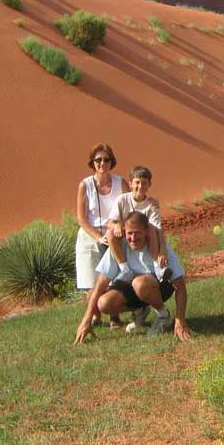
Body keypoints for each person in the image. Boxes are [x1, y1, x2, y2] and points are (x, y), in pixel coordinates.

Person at [75, 211, 191, 343]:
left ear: (146, 231)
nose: (133, 237)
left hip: (158, 287)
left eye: (137, 232)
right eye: (129, 233)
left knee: (139, 283)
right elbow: (100, 284)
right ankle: (140, 309)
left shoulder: (159, 248)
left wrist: (180, 319)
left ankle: (163, 315)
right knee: (104, 303)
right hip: (135, 288)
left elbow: (180, 286)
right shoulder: (119, 247)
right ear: (124, 232)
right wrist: (86, 320)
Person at [75, 143, 129, 327]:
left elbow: (129, 211)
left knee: (115, 280)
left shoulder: (120, 183)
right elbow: (82, 219)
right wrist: (98, 237)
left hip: (114, 234)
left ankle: (114, 316)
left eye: (106, 159)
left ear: (111, 161)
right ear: (92, 162)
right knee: (93, 285)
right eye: (98, 160)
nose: (102, 163)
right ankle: (96, 316)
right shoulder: (85, 185)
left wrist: (118, 228)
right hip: (90, 236)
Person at [104, 165, 167, 283]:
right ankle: (125, 269)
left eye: (144, 183)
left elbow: (158, 229)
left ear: (149, 185)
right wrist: (116, 225)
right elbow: (110, 222)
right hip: (125, 236)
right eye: (137, 182)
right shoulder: (122, 200)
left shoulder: (152, 204)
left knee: (152, 228)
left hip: (144, 237)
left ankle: (158, 268)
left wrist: (163, 250)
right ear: (131, 183)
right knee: (109, 233)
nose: (140, 186)